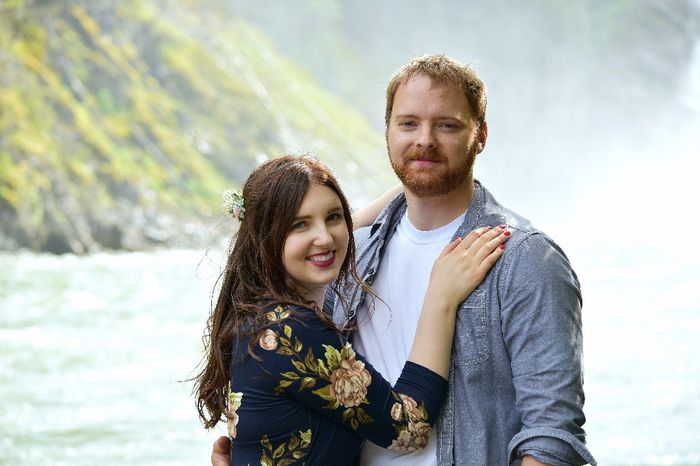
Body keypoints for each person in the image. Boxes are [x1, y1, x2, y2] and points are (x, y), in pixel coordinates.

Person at [211, 54, 596, 465]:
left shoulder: (524, 258)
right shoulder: (348, 257)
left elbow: (551, 435)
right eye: (408, 124)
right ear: (388, 132)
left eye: (446, 125)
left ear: (480, 136)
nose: (424, 140)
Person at [195, 155, 510, 465]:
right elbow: (409, 428)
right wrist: (441, 297)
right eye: (299, 224)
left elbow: (327, 236)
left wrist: (415, 184)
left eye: (332, 217)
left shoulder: (255, 314)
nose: (324, 237)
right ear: (264, 238)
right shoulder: (292, 329)